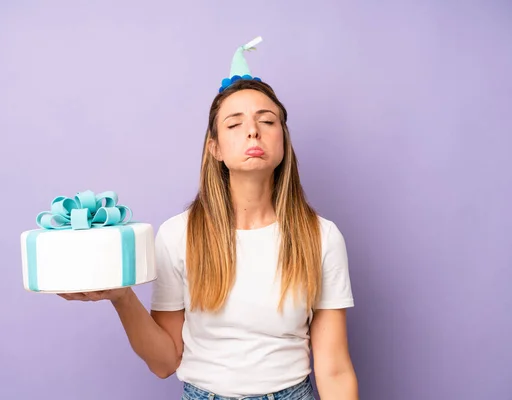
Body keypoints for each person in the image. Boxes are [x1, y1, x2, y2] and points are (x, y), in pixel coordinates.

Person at [59, 37, 358, 400]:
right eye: (234, 124)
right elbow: (164, 363)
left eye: (267, 120)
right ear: (214, 147)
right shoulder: (177, 235)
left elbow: (334, 369)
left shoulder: (321, 237)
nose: (253, 130)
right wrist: (123, 297)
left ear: (283, 140)